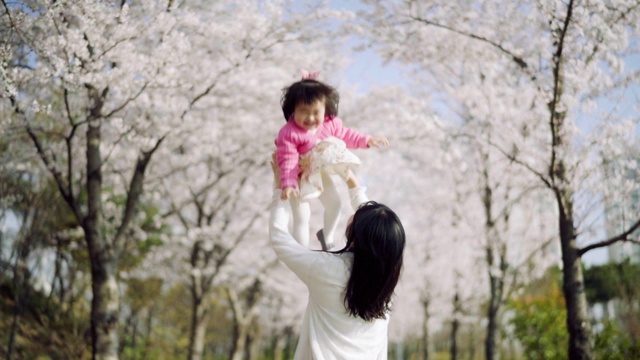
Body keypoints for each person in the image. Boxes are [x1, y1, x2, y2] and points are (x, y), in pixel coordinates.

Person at [269, 159, 406, 360]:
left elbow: (279, 239)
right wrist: (349, 179)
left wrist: (280, 189)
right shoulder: (384, 288)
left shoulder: (325, 269)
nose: (353, 214)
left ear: (357, 236)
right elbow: (378, 234)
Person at [275, 70, 389, 250]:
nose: (311, 118)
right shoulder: (289, 133)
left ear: (325, 109)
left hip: (318, 171)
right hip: (298, 176)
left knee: (335, 204)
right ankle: (301, 251)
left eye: (316, 112)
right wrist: (289, 183)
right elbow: (287, 158)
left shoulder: (330, 124)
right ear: (293, 110)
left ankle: (326, 238)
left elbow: (346, 135)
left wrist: (367, 140)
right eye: (304, 112)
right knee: (302, 215)